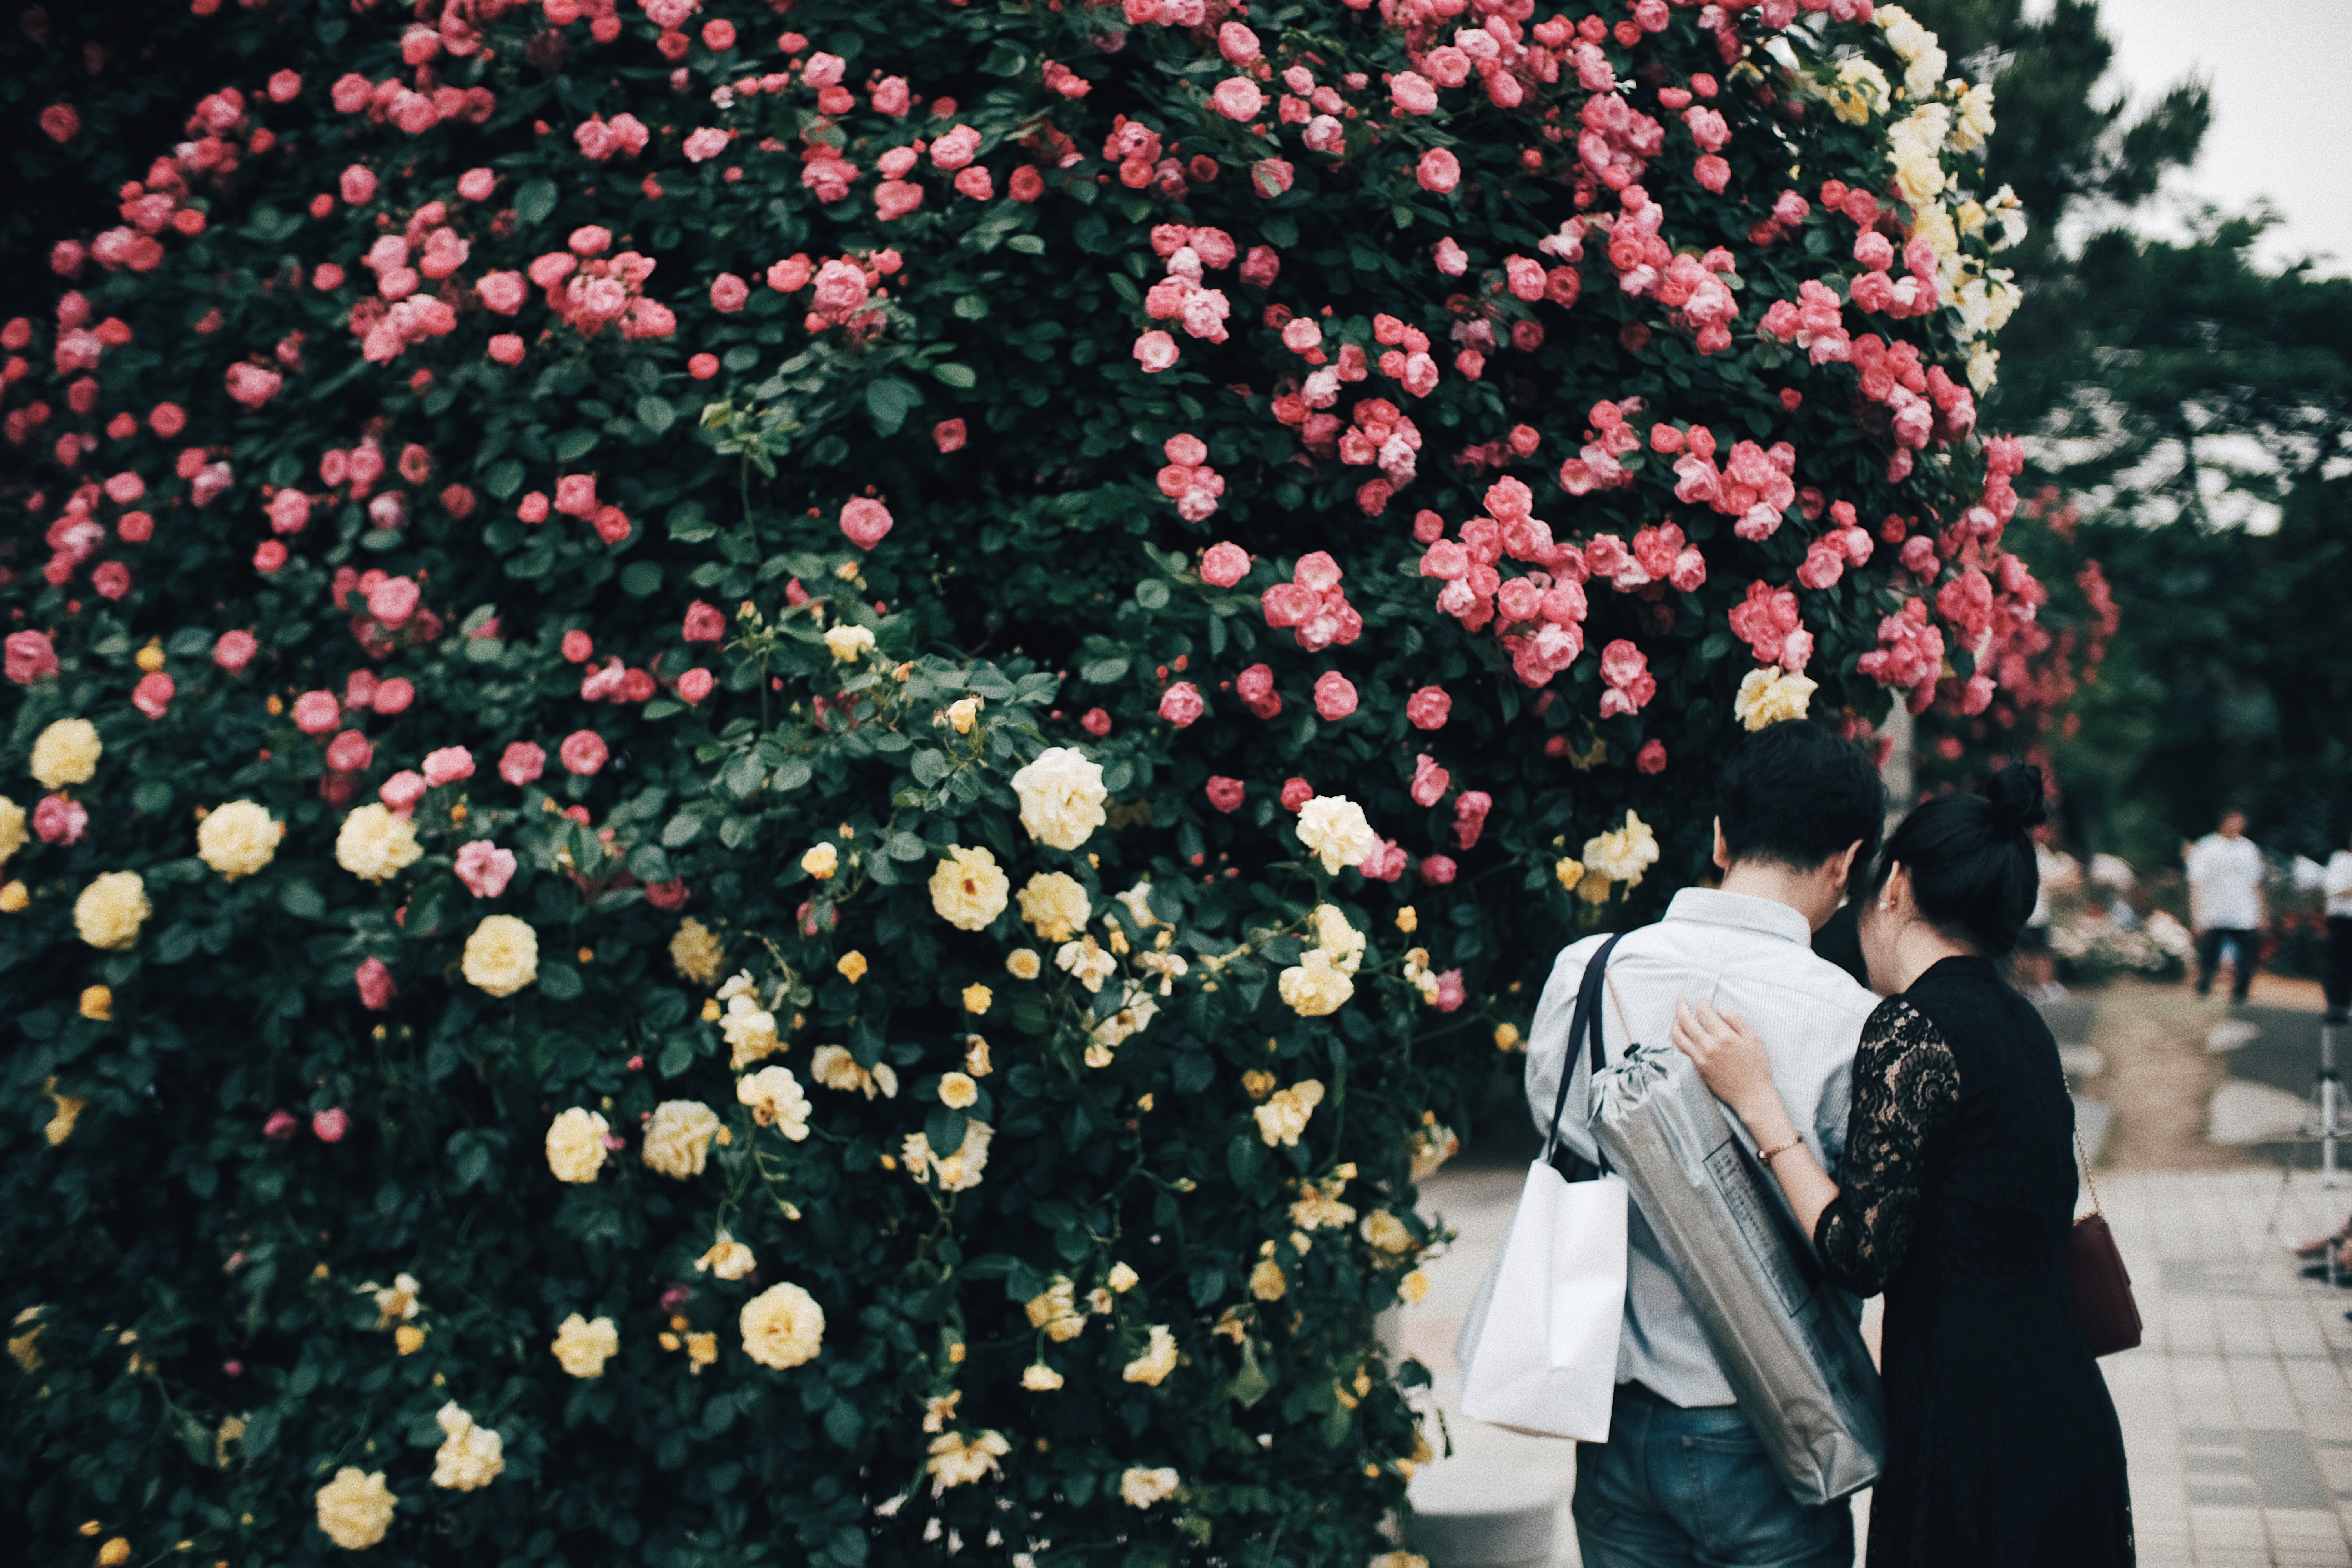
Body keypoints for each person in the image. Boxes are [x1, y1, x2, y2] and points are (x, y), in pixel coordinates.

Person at [1671, 765, 2133, 1567]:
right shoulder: (2023, 1023)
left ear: (1897, 886)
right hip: (2064, 1401)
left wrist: (1760, 1103)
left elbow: (1860, 1251)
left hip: (1970, 1419)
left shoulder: (1912, 1027)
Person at [1523, 719, 1886, 1568]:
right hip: (1774, 1426)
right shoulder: (1853, 1020)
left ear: (1720, 835)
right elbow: (1851, 1234)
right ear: (1848, 859)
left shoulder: (1588, 971)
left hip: (1614, 1418)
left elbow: (1560, 1138)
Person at [2187, 810, 2266, 1004]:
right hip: (2215, 911)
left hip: (2244, 912)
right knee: (2209, 954)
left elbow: (2256, 884)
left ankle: (2241, 989)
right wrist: (2198, 915)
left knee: (2247, 955)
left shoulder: (2249, 850)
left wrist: (2262, 913)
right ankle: (2205, 985)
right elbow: (2197, 884)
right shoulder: (2207, 847)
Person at [2325, 833, 2352, 1026]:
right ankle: (2336, 1005)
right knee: (2338, 963)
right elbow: (2334, 891)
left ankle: (2344, 1006)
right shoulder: (2341, 860)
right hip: (2342, 920)